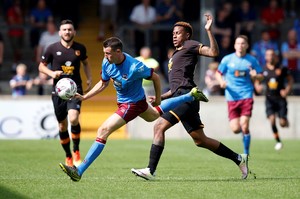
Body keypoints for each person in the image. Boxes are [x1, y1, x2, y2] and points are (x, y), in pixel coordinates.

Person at [58, 36, 208, 182]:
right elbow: (103, 83)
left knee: (103, 130)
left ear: (118, 52)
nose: (105, 56)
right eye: (104, 53)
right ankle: (190, 96)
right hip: (136, 101)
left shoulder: (135, 66)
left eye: (108, 53)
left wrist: (157, 98)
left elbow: (155, 77)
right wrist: (85, 96)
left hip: (131, 104)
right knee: (154, 115)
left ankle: (79, 171)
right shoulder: (107, 62)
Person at [131, 14, 250, 181]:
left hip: (187, 97)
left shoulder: (190, 45)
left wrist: (208, 31)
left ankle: (150, 170)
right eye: (173, 33)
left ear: (187, 35)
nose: (174, 35)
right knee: (200, 140)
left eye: (178, 33)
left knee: (159, 126)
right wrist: (160, 97)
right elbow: (174, 89)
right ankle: (239, 158)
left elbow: (214, 52)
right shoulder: (175, 55)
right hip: (182, 96)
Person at [38, 19, 93, 167]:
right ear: (60, 32)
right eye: (64, 29)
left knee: (74, 118)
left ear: (74, 32)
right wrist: (52, 73)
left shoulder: (80, 48)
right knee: (62, 126)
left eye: (70, 29)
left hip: (75, 89)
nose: (67, 32)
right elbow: (41, 66)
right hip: (58, 92)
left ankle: (76, 150)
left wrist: (89, 78)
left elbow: (86, 63)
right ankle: (68, 155)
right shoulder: (51, 48)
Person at [216, 35, 264, 155]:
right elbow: (218, 73)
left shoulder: (252, 60)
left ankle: (246, 153)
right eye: (238, 43)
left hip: (246, 95)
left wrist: (256, 76)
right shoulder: (227, 59)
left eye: (243, 43)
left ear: (247, 46)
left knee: (244, 124)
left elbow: (261, 75)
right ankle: (244, 134)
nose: (240, 46)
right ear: (234, 45)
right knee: (236, 129)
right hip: (231, 97)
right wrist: (221, 81)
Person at [255, 49, 293, 150]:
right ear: (265, 57)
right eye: (268, 55)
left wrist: (287, 90)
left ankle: (285, 120)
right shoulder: (263, 69)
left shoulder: (282, 68)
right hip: (269, 99)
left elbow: (290, 80)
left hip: (280, 99)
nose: (270, 57)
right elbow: (257, 80)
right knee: (272, 120)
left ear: (275, 56)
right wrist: (257, 86)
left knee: (282, 123)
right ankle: (278, 141)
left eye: (272, 55)